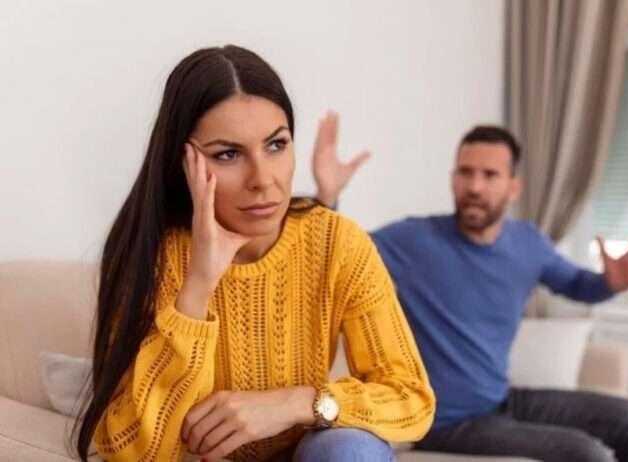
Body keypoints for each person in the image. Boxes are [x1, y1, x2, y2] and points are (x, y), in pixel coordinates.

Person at [74, 45, 435, 462]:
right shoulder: (153, 256)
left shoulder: (337, 243)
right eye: (228, 154)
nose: (263, 180)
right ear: (183, 162)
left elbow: (411, 398)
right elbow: (132, 449)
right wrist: (198, 286)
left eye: (276, 145)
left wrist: (296, 403)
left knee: (349, 448)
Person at [314, 119, 628, 462]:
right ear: (453, 179)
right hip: (444, 421)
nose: (475, 186)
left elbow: (577, 285)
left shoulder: (528, 243)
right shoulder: (414, 240)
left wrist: (608, 283)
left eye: (490, 175)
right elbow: (336, 255)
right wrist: (328, 198)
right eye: (465, 172)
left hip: (499, 401)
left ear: (513, 188)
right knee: (588, 453)